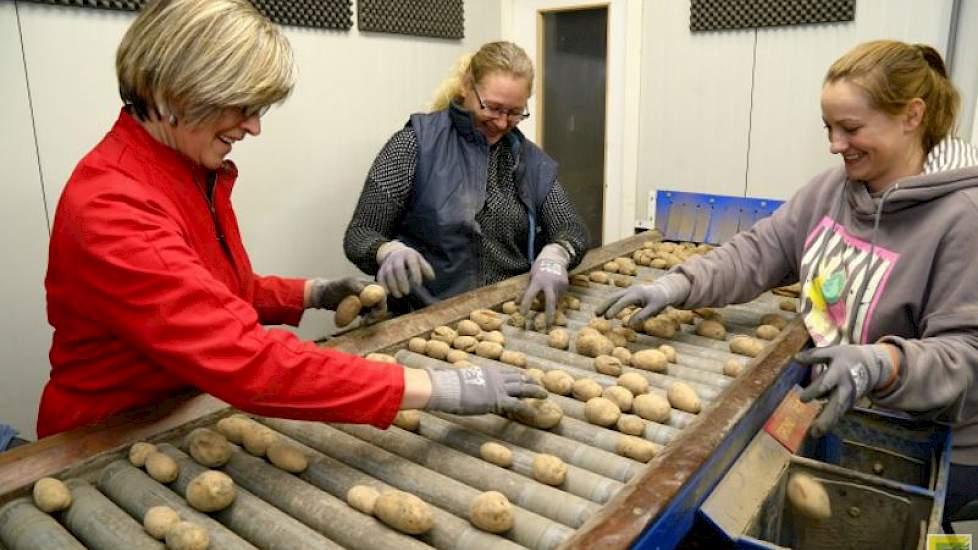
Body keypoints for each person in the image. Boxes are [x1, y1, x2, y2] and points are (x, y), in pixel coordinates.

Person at [39, 0, 544, 439]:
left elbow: (213, 293)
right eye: (243, 106)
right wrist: (441, 387)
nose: (255, 127)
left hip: (180, 409)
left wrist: (311, 292)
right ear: (177, 91)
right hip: (108, 435)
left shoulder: (190, 170)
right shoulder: (113, 205)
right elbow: (244, 358)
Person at [597, 40, 978, 529]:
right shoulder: (831, 191)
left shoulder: (961, 219)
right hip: (826, 413)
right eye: (829, 128)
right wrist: (675, 286)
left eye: (852, 128)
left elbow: (966, 353)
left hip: (915, 443)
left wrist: (880, 363)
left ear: (911, 116)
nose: (835, 144)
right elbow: (758, 251)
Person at [343, 41, 589, 325]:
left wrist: (557, 254)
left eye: (514, 112)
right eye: (493, 108)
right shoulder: (415, 145)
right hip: (423, 317)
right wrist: (385, 251)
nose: (500, 122)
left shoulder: (530, 161)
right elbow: (360, 233)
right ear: (465, 86)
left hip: (506, 316)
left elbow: (572, 229)